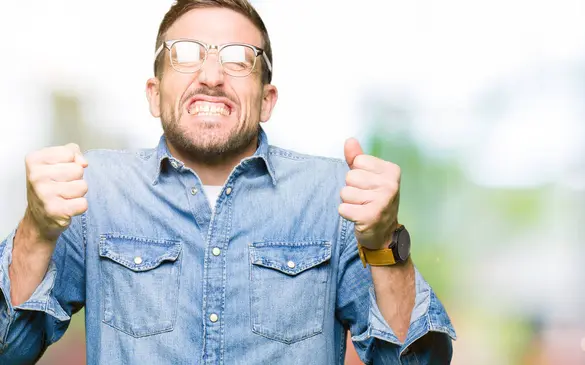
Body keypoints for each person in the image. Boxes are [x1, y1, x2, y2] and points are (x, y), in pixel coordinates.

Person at [0, 0, 456, 364]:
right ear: (154, 95)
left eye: (240, 60)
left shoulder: (335, 196)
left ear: (267, 100)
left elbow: (413, 362)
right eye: (185, 54)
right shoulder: (92, 191)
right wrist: (36, 233)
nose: (212, 76)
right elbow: (9, 347)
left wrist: (383, 246)